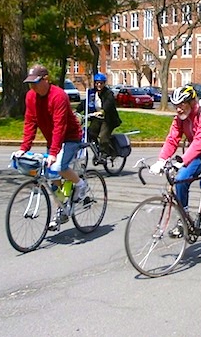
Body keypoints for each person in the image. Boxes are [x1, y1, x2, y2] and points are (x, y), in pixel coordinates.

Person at [149, 86, 201, 236]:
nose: (178, 109)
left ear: (192, 102)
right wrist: (161, 160)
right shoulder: (180, 119)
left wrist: (182, 160)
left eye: (182, 105)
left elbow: (200, 142)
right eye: (175, 106)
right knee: (180, 180)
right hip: (200, 153)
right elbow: (172, 139)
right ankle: (184, 220)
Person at [15, 64, 88, 230]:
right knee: (51, 175)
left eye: (36, 82)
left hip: (70, 137)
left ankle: (80, 184)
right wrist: (24, 148)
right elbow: (30, 122)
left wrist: (54, 153)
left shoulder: (58, 96)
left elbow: (59, 126)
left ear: (46, 80)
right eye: (30, 83)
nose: (33, 87)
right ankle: (62, 207)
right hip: (53, 139)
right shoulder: (30, 97)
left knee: (59, 167)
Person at [85, 72, 122, 162]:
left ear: (104, 83)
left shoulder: (108, 93)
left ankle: (104, 153)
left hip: (108, 119)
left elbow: (108, 103)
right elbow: (85, 103)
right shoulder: (92, 93)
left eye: (101, 83)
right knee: (90, 133)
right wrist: (76, 111)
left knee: (103, 136)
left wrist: (102, 111)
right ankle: (98, 151)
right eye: (97, 83)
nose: (99, 85)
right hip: (97, 118)